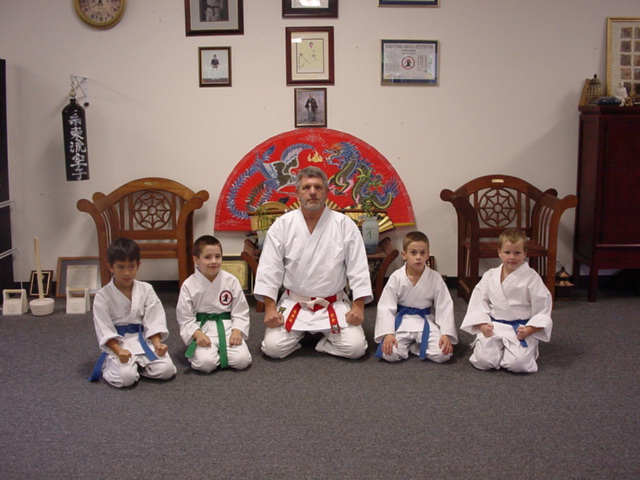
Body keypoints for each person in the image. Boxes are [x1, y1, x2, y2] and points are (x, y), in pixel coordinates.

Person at [253, 166, 373, 359]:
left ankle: (319, 343)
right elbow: (269, 269)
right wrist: (270, 308)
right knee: (272, 349)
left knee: (356, 349)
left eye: (318, 187)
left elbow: (358, 268)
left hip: (333, 303)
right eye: (306, 187)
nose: (312, 192)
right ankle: (302, 334)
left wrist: (358, 306)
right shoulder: (282, 225)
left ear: (326, 192)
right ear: (297, 193)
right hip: (295, 302)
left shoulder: (344, 225)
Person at [461, 228, 553, 373]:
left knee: (518, 365)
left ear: (525, 253)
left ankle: (522, 349)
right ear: (499, 252)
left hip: (520, 328)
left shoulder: (531, 277)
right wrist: (482, 324)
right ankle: (500, 350)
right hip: (494, 326)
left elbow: (543, 308)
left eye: (517, 253)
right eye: (507, 252)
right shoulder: (490, 275)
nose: (512, 257)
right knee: (484, 361)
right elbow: (478, 302)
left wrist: (529, 330)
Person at [89, 238, 177, 387]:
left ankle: (138, 367)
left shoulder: (146, 289)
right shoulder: (102, 296)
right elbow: (104, 329)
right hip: (119, 343)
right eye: (120, 267)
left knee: (166, 370)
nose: (127, 272)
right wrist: (118, 351)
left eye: (132, 266)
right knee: (126, 379)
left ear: (138, 265)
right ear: (110, 267)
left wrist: (157, 344)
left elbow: (154, 321)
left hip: (143, 341)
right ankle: (116, 366)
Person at [375, 231, 457, 363]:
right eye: (413, 253)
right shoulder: (396, 277)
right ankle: (416, 346)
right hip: (403, 321)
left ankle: (414, 347)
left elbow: (444, 306)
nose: (418, 257)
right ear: (404, 255)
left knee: (443, 354)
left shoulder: (435, 278)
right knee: (389, 353)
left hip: (425, 321)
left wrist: (445, 333)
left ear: (428, 255)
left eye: (422, 253)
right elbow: (386, 306)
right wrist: (388, 333)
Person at [176, 235, 251, 373]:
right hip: (202, 329)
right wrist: (197, 334)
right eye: (208, 257)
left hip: (227, 327)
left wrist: (237, 331)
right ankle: (207, 354)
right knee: (205, 364)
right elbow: (185, 317)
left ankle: (219, 352)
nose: (214, 261)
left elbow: (240, 310)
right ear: (196, 260)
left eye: (218, 256)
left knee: (242, 361)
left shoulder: (231, 281)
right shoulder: (188, 285)